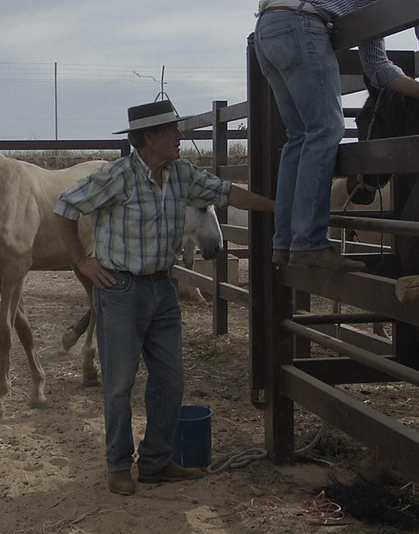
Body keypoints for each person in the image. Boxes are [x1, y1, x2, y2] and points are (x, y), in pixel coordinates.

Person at [53, 99, 275, 496]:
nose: (181, 136)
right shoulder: (117, 176)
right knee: (119, 383)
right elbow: (64, 207)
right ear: (150, 137)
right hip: (120, 290)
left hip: (162, 288)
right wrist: (82, 262)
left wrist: (275, 207)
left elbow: (228, 193)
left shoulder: (182, 175)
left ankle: (156, 462)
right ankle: (118, 465)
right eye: (173, 130)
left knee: (170, 381)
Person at [254, 0, 419, 271]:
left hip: (271, 26)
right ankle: (309, 243)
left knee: (300, 136)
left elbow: (378, 69)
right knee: (326, 128)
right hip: (300, 24)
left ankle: (285, 243)